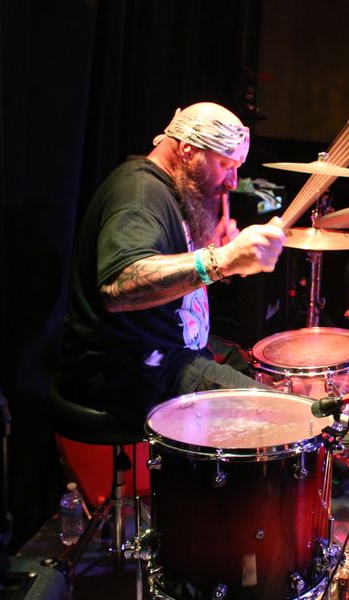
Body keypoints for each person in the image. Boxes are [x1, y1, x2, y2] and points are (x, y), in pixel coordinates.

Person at [59, 102, 286, 425]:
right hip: (127, 368)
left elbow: (173, 263)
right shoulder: (139, 195)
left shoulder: (174, 188)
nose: (232, 182)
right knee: (277, 415)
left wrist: (221, 252)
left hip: (170, 350)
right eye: (225, 165)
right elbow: (118, 286)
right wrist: (220, 259)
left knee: (264, 373)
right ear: (188, 150)